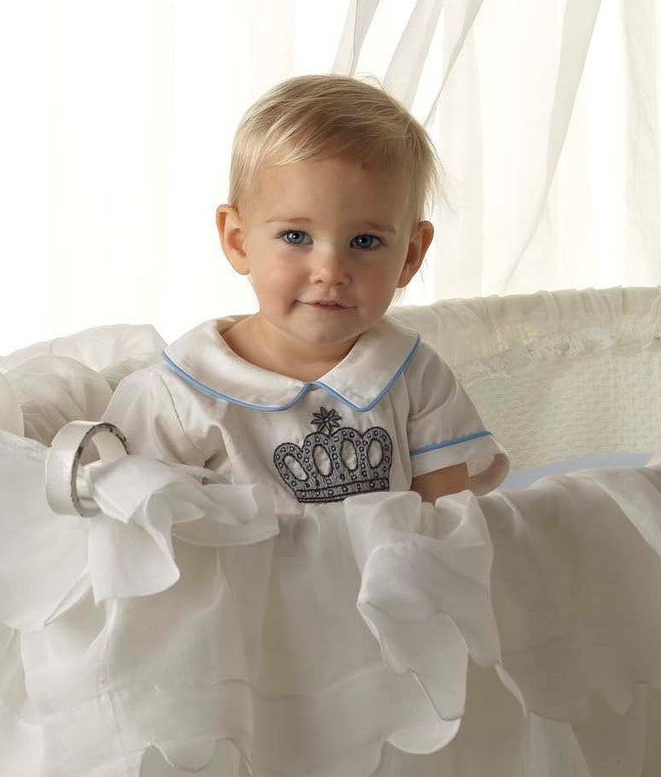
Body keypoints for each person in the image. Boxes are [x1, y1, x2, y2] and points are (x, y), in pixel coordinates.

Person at [101, 74, 508, 511]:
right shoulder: (178, 397)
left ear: (410, 255)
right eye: (296, 236)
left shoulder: (415, 376)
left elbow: (447, 530)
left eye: (365, 242)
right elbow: (135, 541)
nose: (330, 271)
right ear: (239, 241)